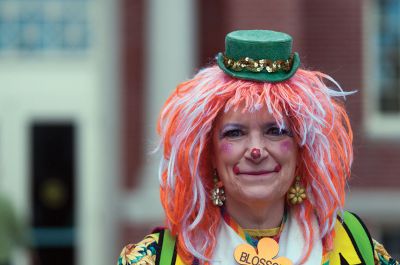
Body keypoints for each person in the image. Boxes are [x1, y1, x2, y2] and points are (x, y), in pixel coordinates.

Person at [117, 30, 398, 265]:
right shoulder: (157, 258)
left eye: (275, 131)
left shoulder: (356, 249)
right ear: (209, 153)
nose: (256, 150)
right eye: (235, 133)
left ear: (301, 150)